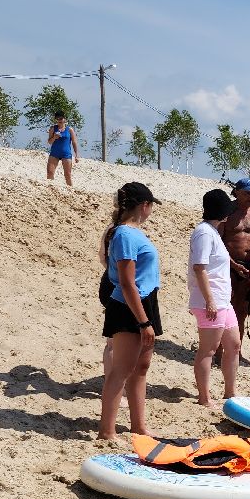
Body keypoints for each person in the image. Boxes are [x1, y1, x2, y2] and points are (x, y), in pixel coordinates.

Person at [99, 183, 160, 440]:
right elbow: (126, 282)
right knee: (121, 369)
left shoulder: (132, 233)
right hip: (128, 305)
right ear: (143, 206)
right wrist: (144, 322)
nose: (150, 212)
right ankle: (107, 431)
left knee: (141, 366)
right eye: (150, 207)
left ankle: (138, 425)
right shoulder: (125, 234)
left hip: (145, 301)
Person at [189, 189, 241, 407]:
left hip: (222, 301)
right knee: (208, 349)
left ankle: (230, 393)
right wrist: (209, 300)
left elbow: (218, 262)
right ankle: (204, 397)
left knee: (234, 344)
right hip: (210, 301)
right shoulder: (203, 233)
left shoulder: (213, 232)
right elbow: (199, 268)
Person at [221, 178, 250, 360]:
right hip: (228, 265)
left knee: (242, 309)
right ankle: (217, 352)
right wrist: (233, 264)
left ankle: (236, 351)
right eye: (248, 192)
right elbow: (219, 241)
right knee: (224, 308)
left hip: (248, 266)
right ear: (236, 192)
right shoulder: (227, 211)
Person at [45, 110, 78, 187]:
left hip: (66, 154)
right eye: (57, 118)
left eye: (61, 118)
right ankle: (51, 189)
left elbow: (74, 142)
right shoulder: (53, 128)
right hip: (54, 153)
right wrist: (54, 137)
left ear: (64, 119)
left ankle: (71, 191)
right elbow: (49, 142)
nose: (59, 120)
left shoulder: (70, 130)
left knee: (67, 175)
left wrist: (76, 155)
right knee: (50, 173)